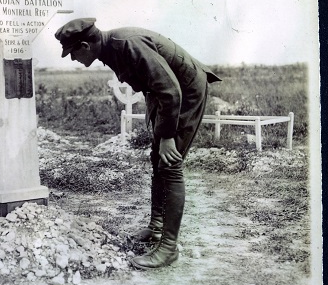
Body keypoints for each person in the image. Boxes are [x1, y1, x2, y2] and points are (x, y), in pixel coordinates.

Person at [55, 18, 221, 269]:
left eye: (72, 53)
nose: (72, 59)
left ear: (86, 46)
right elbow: (155, 86)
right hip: (165, 94)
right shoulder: (110, 48)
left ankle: (168, 248)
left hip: (184, 92)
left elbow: (171, 91)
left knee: (170, 164)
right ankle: (156, 227)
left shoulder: (127, 44)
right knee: (157, 159)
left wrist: (167, 137)